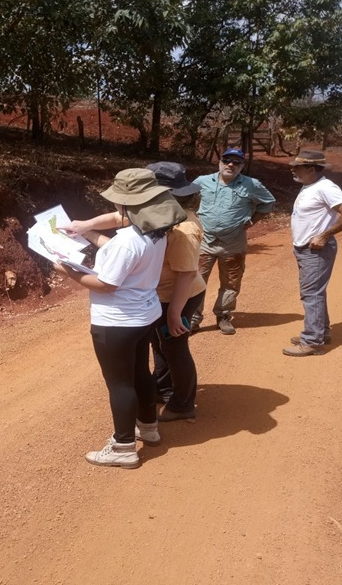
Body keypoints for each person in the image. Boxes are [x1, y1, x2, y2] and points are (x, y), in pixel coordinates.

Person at [55, 169, 185, 469]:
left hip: (116, 322)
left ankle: (123, 446)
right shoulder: (156, 229)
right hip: (143, 315)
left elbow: (106, 284)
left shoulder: (127, 241)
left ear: (126, 203)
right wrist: (86, 231)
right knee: (140, 373)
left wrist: (67, 270)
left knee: (119, 384)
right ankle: (148, 428)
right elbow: (118, 247)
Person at [191, 148, 275, 335]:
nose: (231, 165)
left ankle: (223, 315)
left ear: (242, 166)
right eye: (227, 160)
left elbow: (268, 202)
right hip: (204, 242)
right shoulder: (202, 181)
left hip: (233, 243)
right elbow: (189, 200)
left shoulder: (252, 185)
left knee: (231, 282)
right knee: (195, 280)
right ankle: (193, 318)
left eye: (236, 162)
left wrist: (252, 221)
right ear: (219, 162)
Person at [145, 162, 206, 421]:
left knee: (175, 347)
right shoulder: (165, 216)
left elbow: (186, 274)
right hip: (163, 294)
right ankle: (164, 388)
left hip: (179, 296)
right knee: (161, 343)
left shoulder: (183, 229)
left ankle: (183, 403)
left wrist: (174, 313)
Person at [282, 150, 342, 357]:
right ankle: (321, 332)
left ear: (311, 169)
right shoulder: (310, 186)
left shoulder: (326, 188)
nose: (293, 170)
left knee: (311, 293)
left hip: (317, 249)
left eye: (297, 167)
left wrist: (324, 235)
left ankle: (312, 342)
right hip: (305, 248)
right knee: (316, 292)